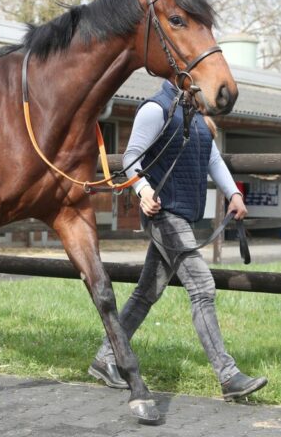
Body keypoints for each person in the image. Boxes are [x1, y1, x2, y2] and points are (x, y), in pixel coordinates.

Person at [88, 79, 268, 401]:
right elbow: (131, 157)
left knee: (146, 293)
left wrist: (234, 194)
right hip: (164, 213)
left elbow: (213, 159)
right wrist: (142, 192)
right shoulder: (156, 109)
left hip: (181, 215)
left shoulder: (195, 115)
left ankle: (105, 358)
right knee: (202, 287)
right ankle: (228, 376)